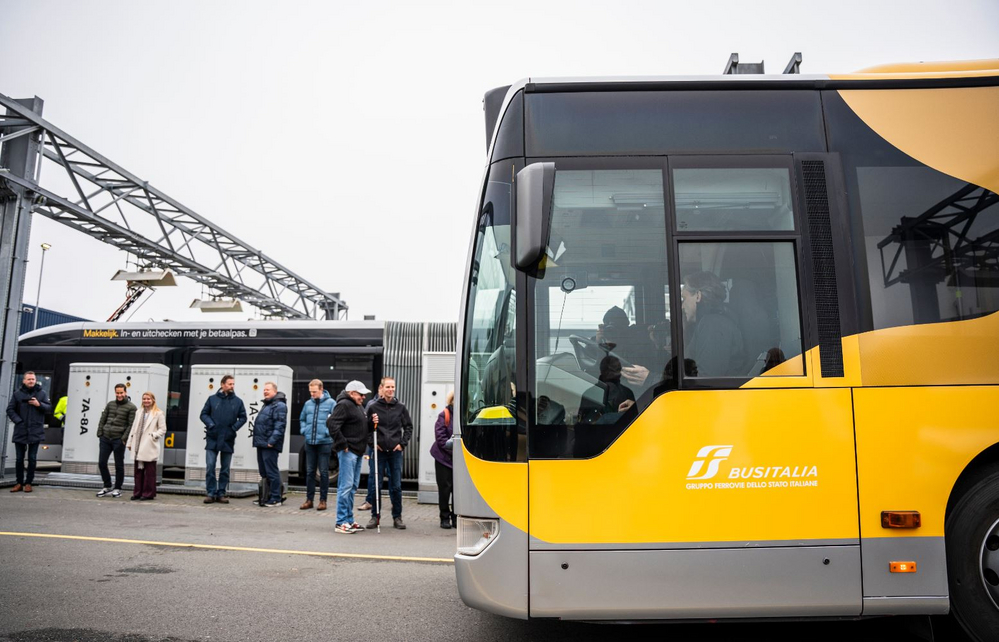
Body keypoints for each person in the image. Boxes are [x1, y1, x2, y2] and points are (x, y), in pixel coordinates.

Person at [366, 377, 413, 530]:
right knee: (376, 485)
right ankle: (375, 516)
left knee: (396, 486)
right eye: (388, 387)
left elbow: (408, 427)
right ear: (382, 388)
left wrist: (402, 444)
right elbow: (366, 428)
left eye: (393, 387)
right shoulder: (373, 407)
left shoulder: (401, 407)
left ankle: (397, 517)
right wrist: (372, 444)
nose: (390, 389)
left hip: (395, 452)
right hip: (379, 452)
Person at [680, 271, 745, 377]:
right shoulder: (708, 323)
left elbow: (706, 378)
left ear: (698, 296)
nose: (682, 306)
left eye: (684, 298)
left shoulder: (713, 325)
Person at [328, 380, 372, 534]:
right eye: (361, 394)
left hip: (356, 451)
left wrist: (371, 422)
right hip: (349, 451)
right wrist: (342, 444)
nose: (363, 397)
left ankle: (349, 520)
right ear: (352, 393)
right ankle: (341, 522)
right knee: (346, 487)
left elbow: (359, 425)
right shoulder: (344, 405)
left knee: (352, 487)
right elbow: (332, 424)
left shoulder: (357, 405)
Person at [199, 374, 246, 504]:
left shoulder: (238, 401)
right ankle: (210, 493)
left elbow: (243, 417)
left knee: (225, 469)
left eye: (233, 384)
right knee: (210, 466)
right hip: (213, 437)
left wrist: (233, 428)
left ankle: (221, 493)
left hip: (228, 438)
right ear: (222, 384)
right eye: (230, 384)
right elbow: (203, 414)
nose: (232, 386)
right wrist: (211, 425)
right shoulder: (212, 399)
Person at [6, 372, 52, 493]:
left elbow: (48, 409)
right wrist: (18, 421)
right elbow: (10, 409)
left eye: (33, 379)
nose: (31, 381)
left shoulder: (42, 394)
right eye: (29, 379)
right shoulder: (17, 394)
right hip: (21, 430)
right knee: (19, 459)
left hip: (35, 431)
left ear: (35, 380)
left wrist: (39, 404)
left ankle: (28, 483)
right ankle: (19, 483)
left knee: (32, 458)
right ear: (24, 381)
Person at [298, 379, 335, 511]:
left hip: (325, 442)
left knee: (324, 473)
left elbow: (335, 421)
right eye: (310, 392)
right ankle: (309, 500)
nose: (312, 394)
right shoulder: (308, 404)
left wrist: (327, 432)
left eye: (314, 392)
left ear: (321, 389)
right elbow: (302, 419)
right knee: (310, 472)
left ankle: (323, 500)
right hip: (310, 442)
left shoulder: (331, 403)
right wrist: (304, 430)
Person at [96, 383, 137, 498]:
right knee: (102, 462)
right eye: (117, 393)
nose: (119, 395)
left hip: (118, 439)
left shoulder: (131, 407)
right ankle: (107, 486)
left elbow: (131, 425)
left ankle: (118, 488)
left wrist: (123, 439)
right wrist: (100, 433)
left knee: (119, 465)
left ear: (125, 392)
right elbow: (103, 419)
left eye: (121, 393)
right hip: (105, 438)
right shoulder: (110, 404)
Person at [126, 391, 167, 501]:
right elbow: (133, 428)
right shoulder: (139, 412)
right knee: (138, 471)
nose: (146, 401)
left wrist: (153, 436)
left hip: (149, 445)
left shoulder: (158, 413)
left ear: (153, 400)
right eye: (144, 399)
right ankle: (137, 492)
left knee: (150, 472)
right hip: (138, 445)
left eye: (148, 399)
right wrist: (130, 442)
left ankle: (148, 493)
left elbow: (163, 429)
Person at [254, 382, 287, 507]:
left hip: (269, 444)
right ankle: (265, 496)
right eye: (264, 390)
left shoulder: (279, 405)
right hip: (262, 443)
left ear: (275, 391)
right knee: (264, 471)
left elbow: (280, 426)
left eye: (268, 389)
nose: (265, 391)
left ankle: (275, 498)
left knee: (271, 471)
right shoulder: (268, 404)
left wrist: (271, 441)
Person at [429, 391, 456, 529]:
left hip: (458, 460)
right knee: (445, 489)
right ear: (452, 400)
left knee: (457, 490)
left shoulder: (465, 415)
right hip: (443, 459)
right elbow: (441, 439)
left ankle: (456, 517)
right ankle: (444, 518)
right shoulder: (444, 415)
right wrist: (454, 451)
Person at [358, 380, 384, 512]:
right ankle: (370, 501)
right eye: (385, 388)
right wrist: (371, 444)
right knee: (374, 475)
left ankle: (394, 502)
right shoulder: (371, 404)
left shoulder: (394, 404)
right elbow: (365, 424)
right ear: (380, 389)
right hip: (374, 445)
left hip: (389, 446)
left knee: (392, 476)